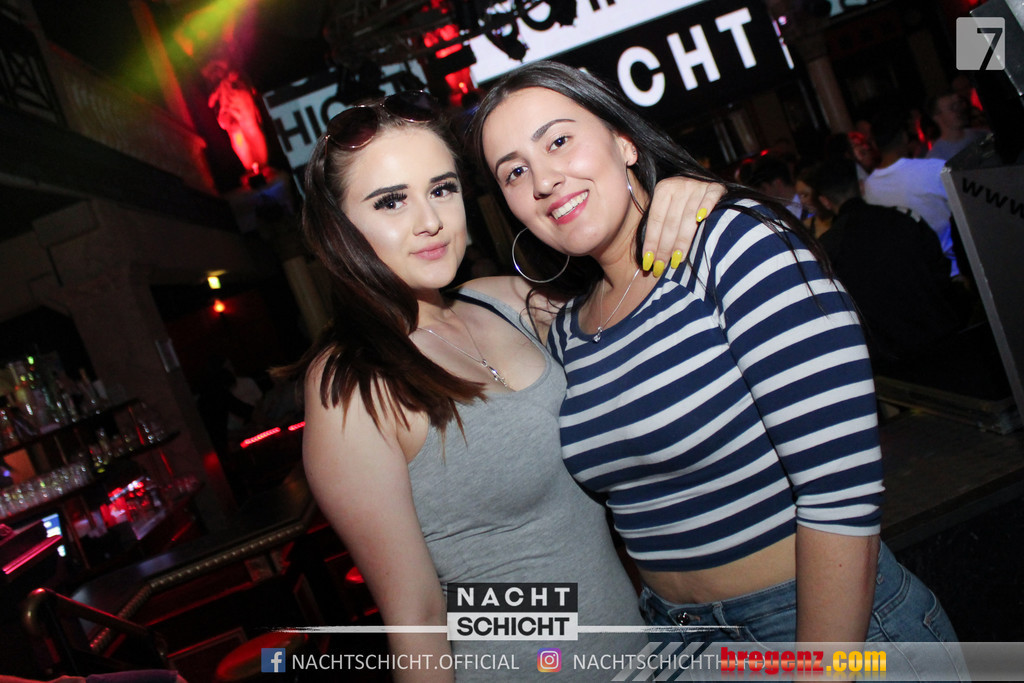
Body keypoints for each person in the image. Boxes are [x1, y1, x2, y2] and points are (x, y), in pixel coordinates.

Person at [471, 61, 963, 664]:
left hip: (815, 624)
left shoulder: (731, 245)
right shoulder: (569, 329)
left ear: (623, 142)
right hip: (680, 641)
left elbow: (841, 495)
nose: (544, 180)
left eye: (558, 141)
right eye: (515, 172)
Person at [291, 90, 722, 680]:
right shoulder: (353, 386)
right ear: (339, 228)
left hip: (650, 655)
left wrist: (677, 200)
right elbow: (417, 617)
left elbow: (634, 317)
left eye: (442, 189)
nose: (430, 221)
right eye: (391, 201)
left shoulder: (506, 301)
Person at [813, 158, 964, 367]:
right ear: (861, 186)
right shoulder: (905, 218)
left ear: (825, 201)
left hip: (889, 362)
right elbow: (940, 271)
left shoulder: (827, 248)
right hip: (940, 340)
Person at [863, 105, 960, 277]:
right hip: (955, 269)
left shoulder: (867, 190)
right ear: (904, 136)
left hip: (916, 277)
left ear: (875, 144)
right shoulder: (935, 169)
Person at [925, 91, 989, 162]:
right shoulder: (936, 157)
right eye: (952, 108)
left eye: (959, 105)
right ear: (937, 117)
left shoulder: (982, 135)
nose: (959, 110)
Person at [794, 163, 833, 239]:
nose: (802, 201)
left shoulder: (842, 221)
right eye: (800, 196)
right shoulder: (806, 226)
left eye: (805, 195)